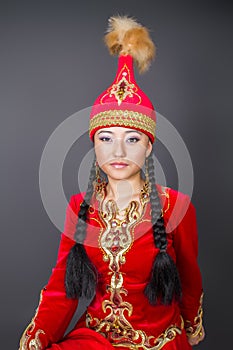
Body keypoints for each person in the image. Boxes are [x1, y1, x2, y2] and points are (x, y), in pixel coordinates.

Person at [19, 15, 205, 350]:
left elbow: (189, 280)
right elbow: (62, 289)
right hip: (96, 338)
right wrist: (35, 341)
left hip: (157, 342)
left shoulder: (175, 206)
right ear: (94, 144)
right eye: (106, 138)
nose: (118, 151)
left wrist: (191, 328)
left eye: (132, 140)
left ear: (149, 146)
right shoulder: (80, 206)